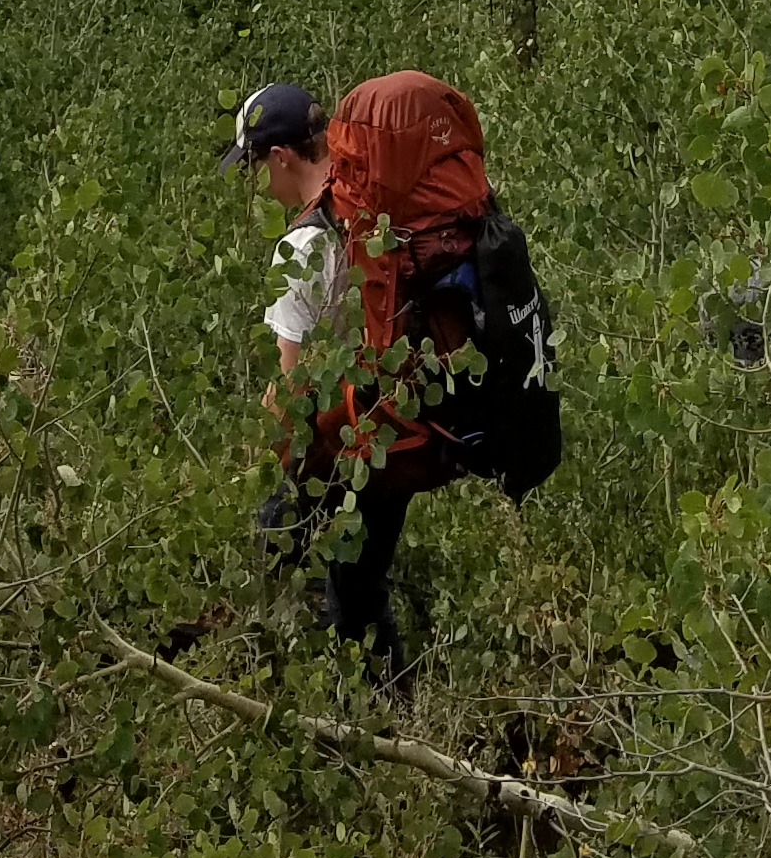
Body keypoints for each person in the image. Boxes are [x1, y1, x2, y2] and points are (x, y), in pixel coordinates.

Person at [225, 73, 558, 684]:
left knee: (272, 552)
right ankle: (391, 718)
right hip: (408, 425)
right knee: (359, 588)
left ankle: (258, 683)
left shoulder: (302, 246)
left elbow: (290, 403)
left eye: (254, 168)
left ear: (280, 156)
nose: (257, 184)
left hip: (359, 438)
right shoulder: (383, 208)